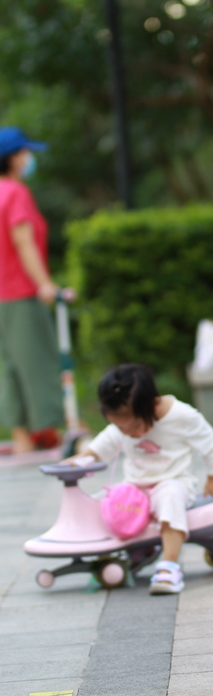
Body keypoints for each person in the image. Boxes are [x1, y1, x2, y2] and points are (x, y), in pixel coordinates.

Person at [71, 364, 213, 594]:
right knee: (101, 502)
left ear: (154, 405)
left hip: (173, 480)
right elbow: (107, 440)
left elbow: (210, 444)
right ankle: (122, 553)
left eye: (135, 426)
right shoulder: (125, 424)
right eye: (120, 427)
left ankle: (169, 566)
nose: (129, 433)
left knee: (170, 499)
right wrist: (83, 458)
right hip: (136, 486)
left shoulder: (182, 416)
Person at [0, 126, 66, 453]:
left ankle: (22, 438)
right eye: (26, 153)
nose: (29, 159)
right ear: (12, 158)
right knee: (36, 363)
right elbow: (23, 242)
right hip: (20, 293)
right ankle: (48, 433)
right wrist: (45, 284)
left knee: (9, 368)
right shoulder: (15, 193)